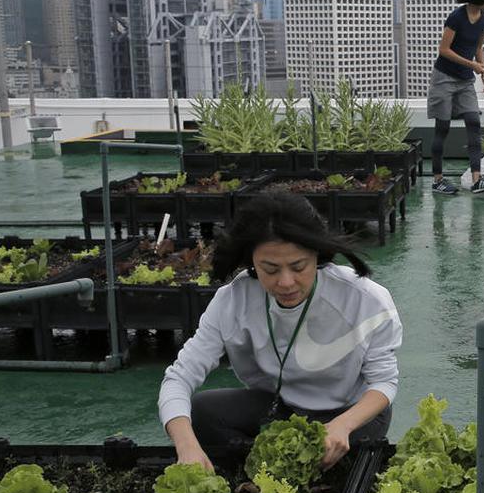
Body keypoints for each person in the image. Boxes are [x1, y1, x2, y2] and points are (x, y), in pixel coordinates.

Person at [157, 193, 401, 472]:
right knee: (202, 411)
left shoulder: (364, 299)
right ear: (251, 261)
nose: (286, 282)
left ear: (317, 254)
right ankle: (260, 473)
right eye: (270, 269)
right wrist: (186, 445)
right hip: (280, 406)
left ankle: (273, 473)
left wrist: (342, 426)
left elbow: (384, 383)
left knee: (337, 462)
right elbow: (178, 378)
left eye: (299, 266)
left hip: (350, 413)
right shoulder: (232, 301)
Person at [429, 0, 484, 195]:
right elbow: (444, 50)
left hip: (465, 80)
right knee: (442, 128)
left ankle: (477, 179)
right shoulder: (456, 17)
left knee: (473, 122)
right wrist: (472, 65)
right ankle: (438, 180)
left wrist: (483, 72)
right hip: (444, 77)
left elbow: (478, 46)